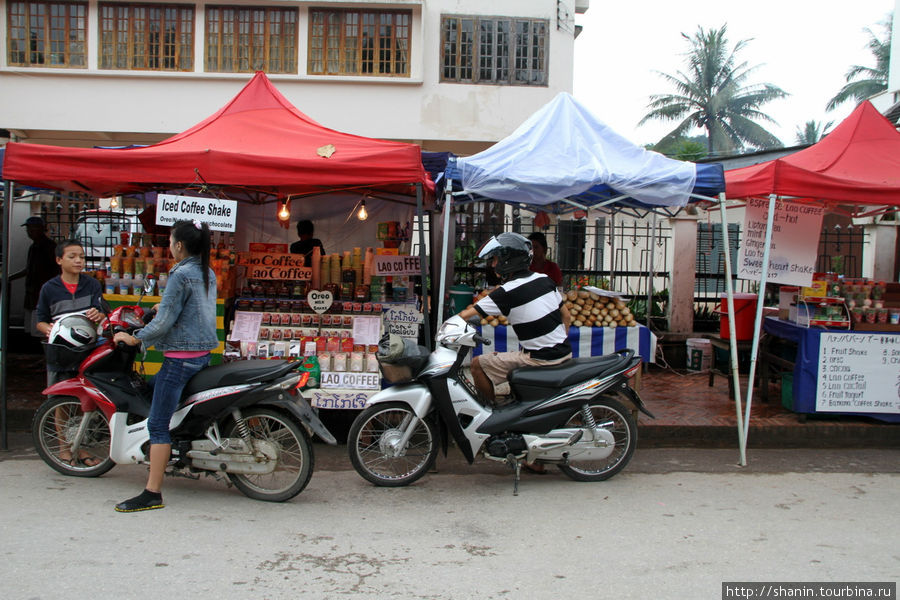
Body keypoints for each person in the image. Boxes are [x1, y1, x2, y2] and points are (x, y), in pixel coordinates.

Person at [112, 220, 218, 513]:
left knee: (158, 424)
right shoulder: (205, 271)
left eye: (171, 241)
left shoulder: (181, 274)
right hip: (201, 355)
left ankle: (152, 492)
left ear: (179, 245)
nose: (170, 246)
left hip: (180, 360)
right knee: (148, 390)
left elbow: (165, 323)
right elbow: (192, 311)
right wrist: (164, 307)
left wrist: (135, 338)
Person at [457, 232, 572, 406]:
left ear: (507, 261)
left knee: (477, 364)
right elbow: (567, 316)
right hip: (565, 353)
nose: (493, 264)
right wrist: (555, 343)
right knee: (510, 356)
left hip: (539, 360)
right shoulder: (544, 280)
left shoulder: (506, 292)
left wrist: (446, 326)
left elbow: (466, 315)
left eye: (495, 259)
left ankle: (490, 413)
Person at [35, 239, 106, 467]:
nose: (78, 261)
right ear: (59, 260)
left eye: (82, 257)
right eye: (72, 256)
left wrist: (100, 315)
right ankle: (65, 448)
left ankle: (81, 446)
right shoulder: (49, 288)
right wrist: (53, 330)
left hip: (87, 351)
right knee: (61, 402)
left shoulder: (92, 285)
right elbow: (40, 321)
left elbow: (104, 313)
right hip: (61, 352)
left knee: (83, 400)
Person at [10, 216, 60, 337]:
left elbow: (56, 271)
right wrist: (10, 277)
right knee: (32, 328)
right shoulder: (33, 247)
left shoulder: (50, 247)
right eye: (28, 230)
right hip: (32, 293)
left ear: (41, 229)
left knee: (42, 329)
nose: (29, 233)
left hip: (42, 294)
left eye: (32, 229)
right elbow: (29, 269)